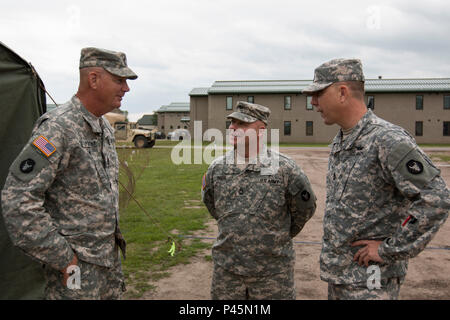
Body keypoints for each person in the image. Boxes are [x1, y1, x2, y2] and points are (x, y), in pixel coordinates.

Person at [303, 58, 450, 300]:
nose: (314, 102)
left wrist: (389, 249)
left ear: (342, 92)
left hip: (371, 281)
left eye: (318, 93)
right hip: (342, 277)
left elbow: (436, 198)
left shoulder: (387, 140)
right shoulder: (342, 141)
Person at [1, 47, 138, 299]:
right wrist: (63, 258)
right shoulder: (57, 128)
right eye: (119, 80)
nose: (125, 88)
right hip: (75, 271)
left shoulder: (103, 127)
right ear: (93, 79)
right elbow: (17, 200)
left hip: (106, 266)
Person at [202, 101, 317, 299]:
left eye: (242, 125)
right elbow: (212, 205)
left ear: (261, 130)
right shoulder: (217, 169)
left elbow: (305, 209)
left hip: (272, 275)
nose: (233, 129)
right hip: (227, 273)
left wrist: (279, 235)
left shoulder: (285, 169)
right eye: (231, 123)